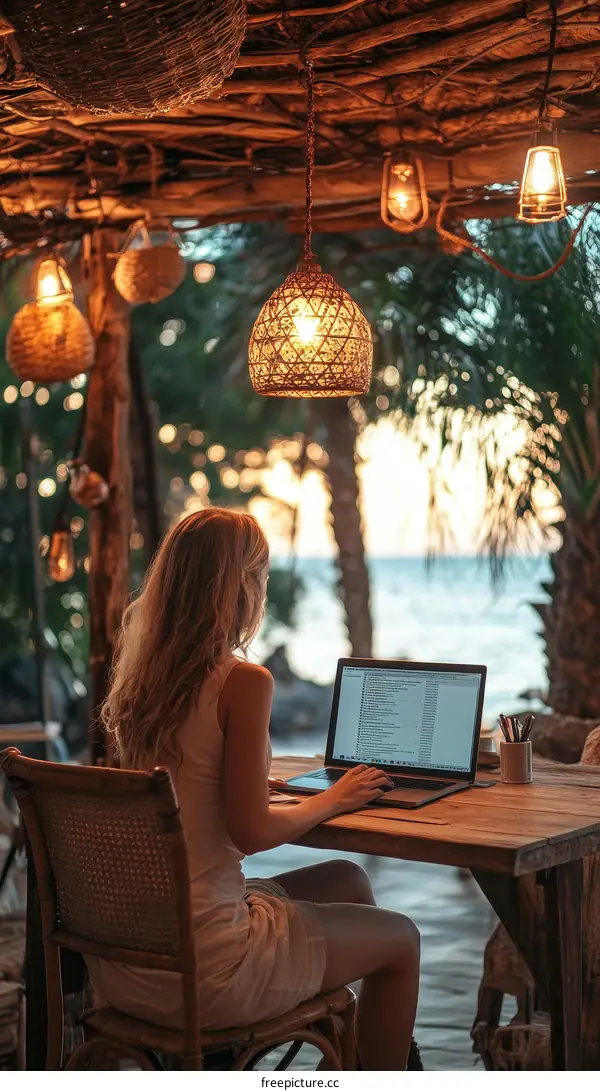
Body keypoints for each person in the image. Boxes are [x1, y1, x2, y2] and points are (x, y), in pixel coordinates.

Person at [91, 508, 420, 1071]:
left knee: (348, 879)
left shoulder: (140, 682)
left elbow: (179, 780)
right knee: (402, 940)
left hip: (129, 964)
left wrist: (246, 779)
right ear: (238, 585)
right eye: (261, 574)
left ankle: (338, 1063)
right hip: (208, 969)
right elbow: (250, 831)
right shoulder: (243, 681)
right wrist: (332, 799)